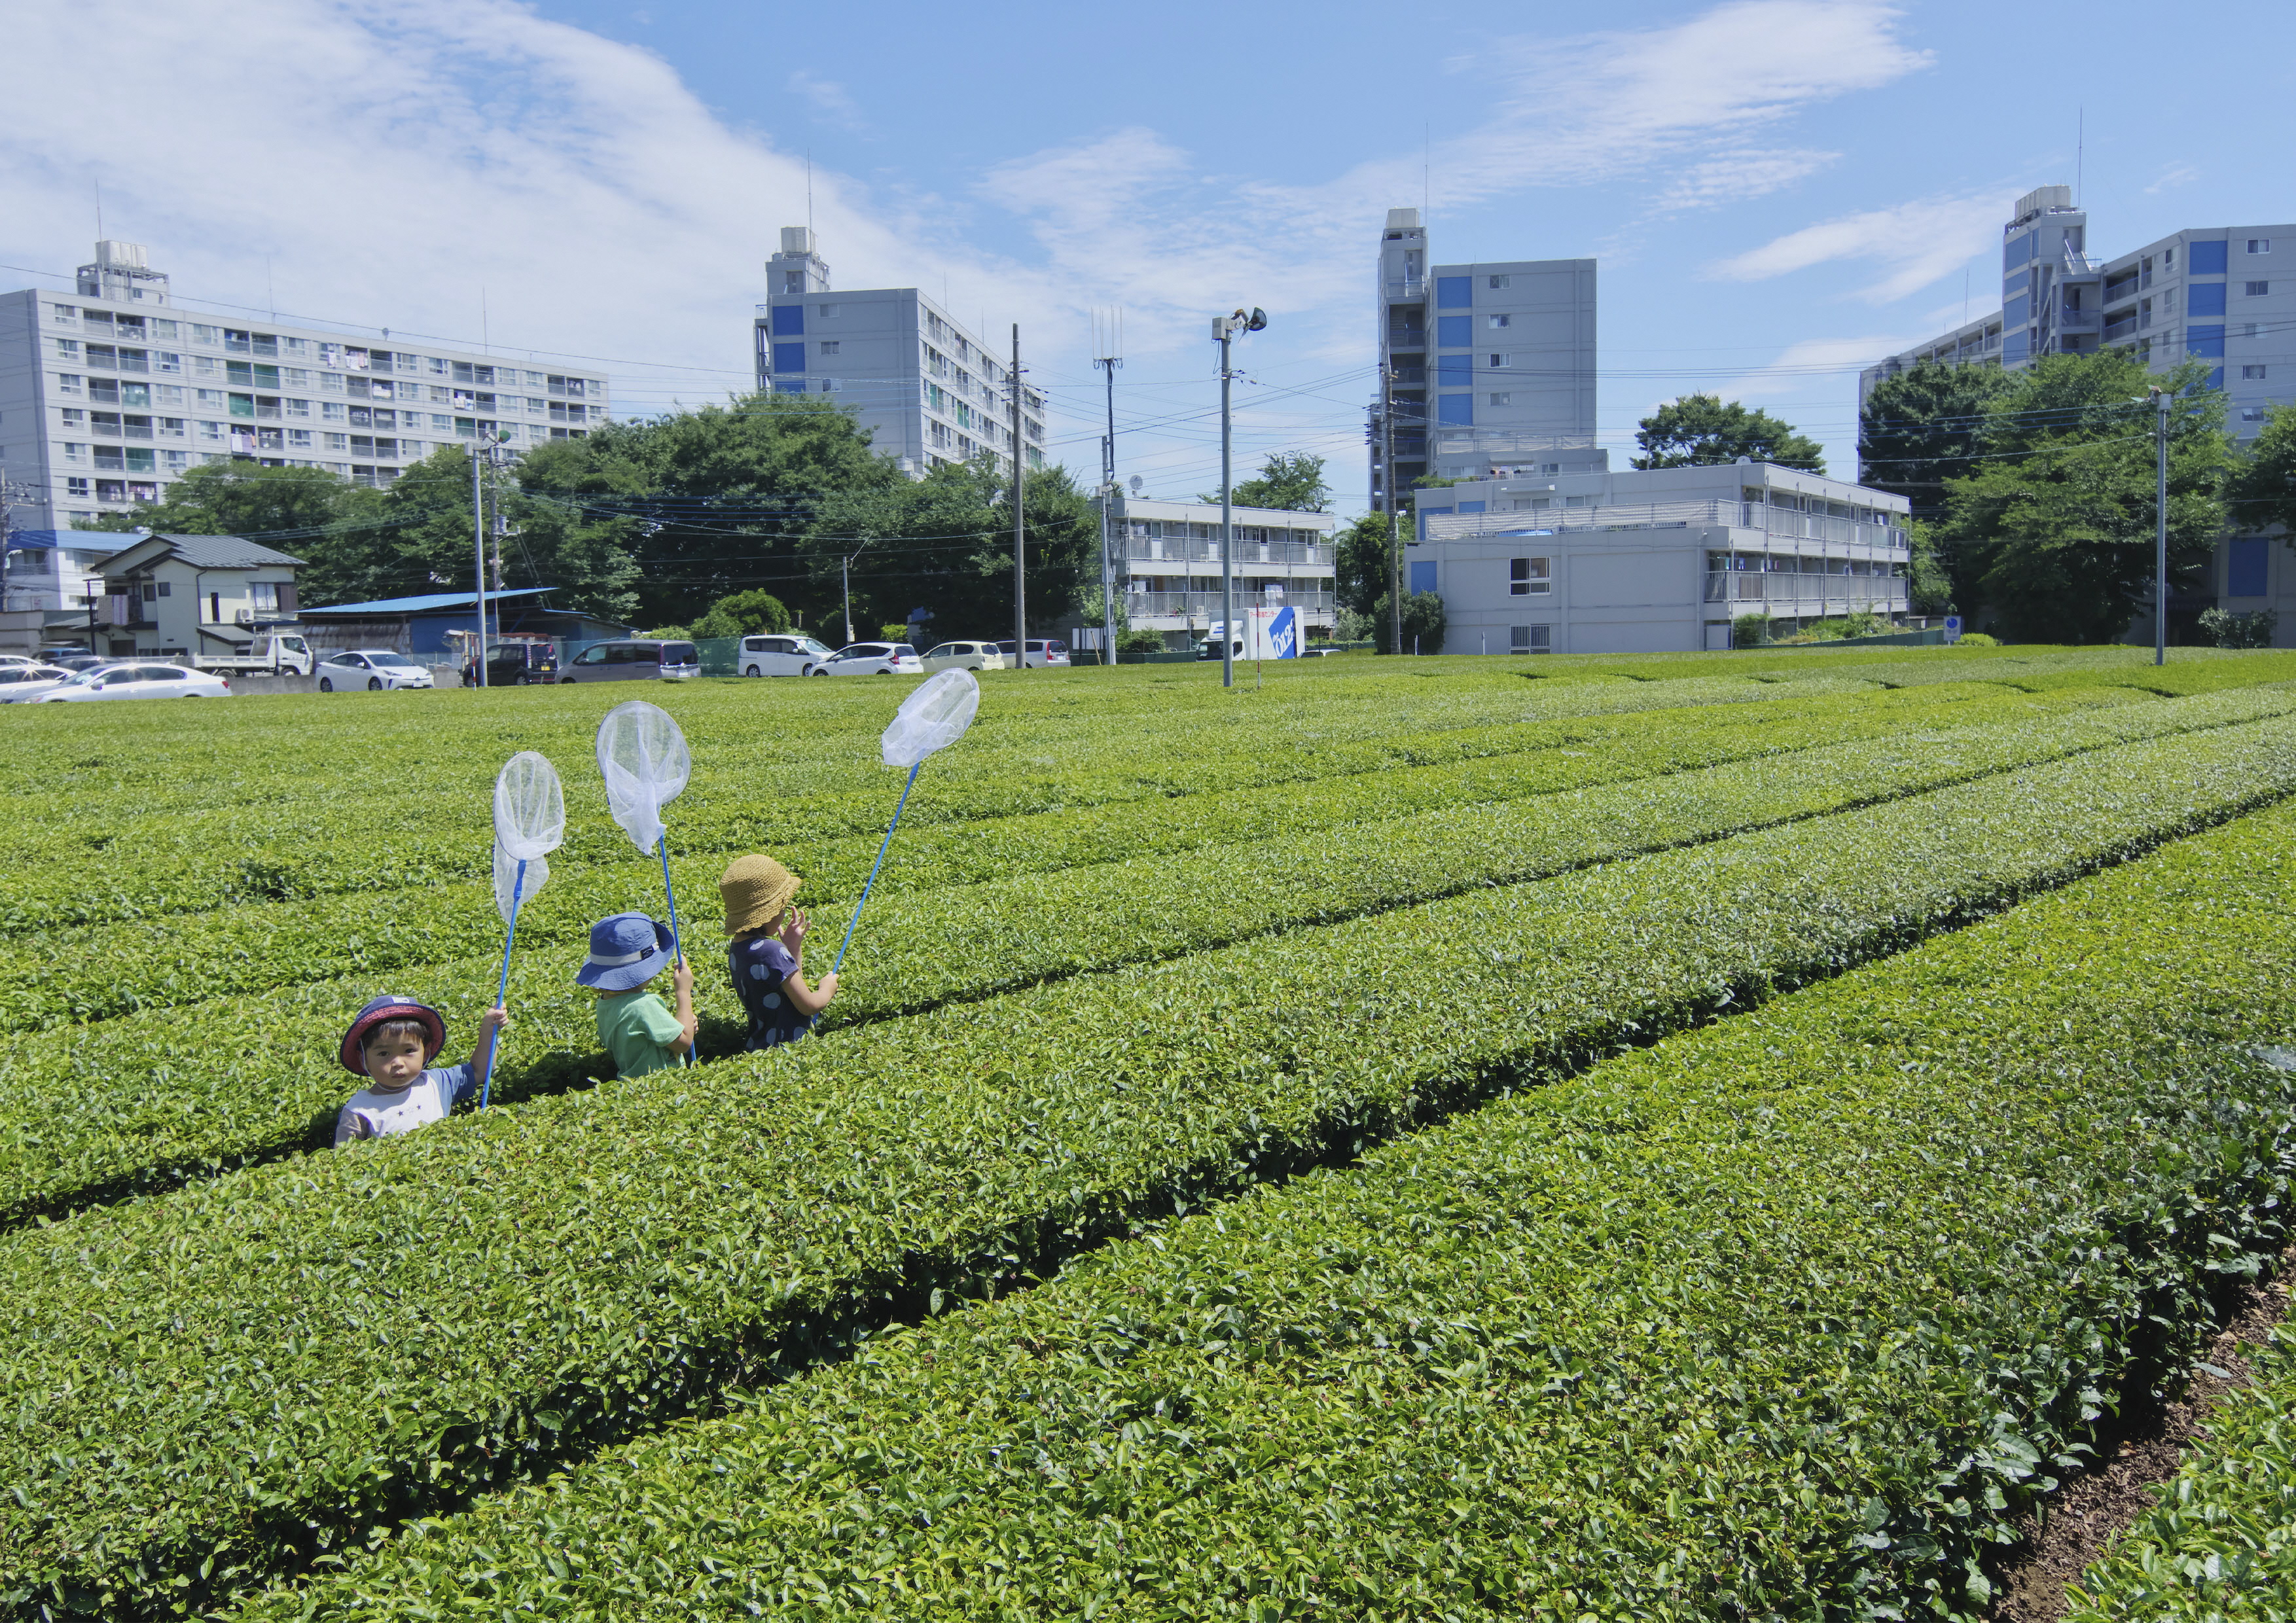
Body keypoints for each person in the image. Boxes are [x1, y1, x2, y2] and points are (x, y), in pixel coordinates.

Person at [334, 993, 508, 1145]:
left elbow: (479, 1070)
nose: (397, 1062)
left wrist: (488, 1029)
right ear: (364, 1059)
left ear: (426, 1053)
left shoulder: (438, 1082)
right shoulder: (359, 1110)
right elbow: (345, 1159)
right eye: (384, 1053)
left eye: (409, 1051)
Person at [719, 854, 838, 1051]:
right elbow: (808, 1005)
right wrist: (827, 988)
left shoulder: (738, 947)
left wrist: (793, 948)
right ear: (770, 912)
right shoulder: (771, 951)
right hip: (788, 1049)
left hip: (759, 1045)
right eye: (782, 907)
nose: (783, 914)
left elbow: (784, 987)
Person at [579, 910, 696, 1078]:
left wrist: (684, 1025)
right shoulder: (643, 1005)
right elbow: (684, 1043)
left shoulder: (605, 1003)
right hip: (661, 1087)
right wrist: (683, 991)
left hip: (634, 1087)